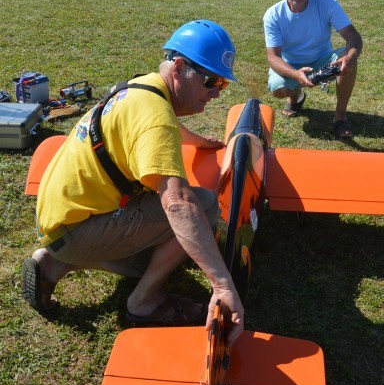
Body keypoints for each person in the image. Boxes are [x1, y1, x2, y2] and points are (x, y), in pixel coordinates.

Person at [21, 20, 244, 346]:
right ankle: (143, 303)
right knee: (204, 206)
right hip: (79, 226)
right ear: (179, 68)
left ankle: (51, 264)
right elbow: (178, 203)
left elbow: (162, 121)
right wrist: (223, 285)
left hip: (61, 218)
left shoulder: (144, 87)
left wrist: (198, 141)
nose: (215, 92)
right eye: (210, 80)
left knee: (168, 254)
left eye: (222, 84)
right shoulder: (155, 118)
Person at [263, 0, 363, 139]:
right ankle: (295, 97)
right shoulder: (273, 14)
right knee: (278, 89)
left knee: (348, 60)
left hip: (323, 60)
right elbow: (273, 57)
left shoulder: (327, 3)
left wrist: (351, 57)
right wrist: (296, 74)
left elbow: (352, 36)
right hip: (291, 64)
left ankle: (340, 117)